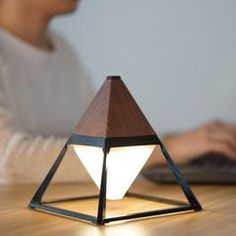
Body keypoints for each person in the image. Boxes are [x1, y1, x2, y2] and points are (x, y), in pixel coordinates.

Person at [0, 0, 235, 184]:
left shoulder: (62, 50)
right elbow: (10, 162)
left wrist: (184, 142)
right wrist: (163, 150)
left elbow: (96, 141)